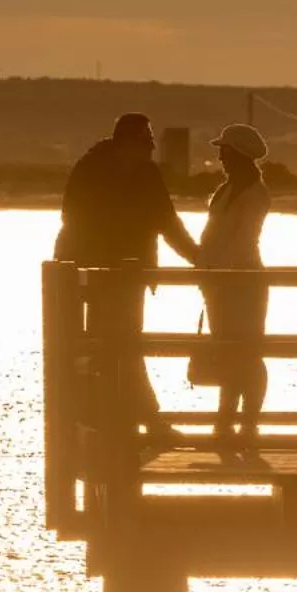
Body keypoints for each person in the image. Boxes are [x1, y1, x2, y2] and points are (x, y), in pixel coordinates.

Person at [55, 113, 200, 443]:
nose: (149, 154)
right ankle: (125, 420)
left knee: (125, 348)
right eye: (144, 146)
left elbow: (168, 222)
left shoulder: (147, 174)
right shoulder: (91, 169)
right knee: (102, 349)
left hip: (129, 278)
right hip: (91, 277)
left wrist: (198, 259)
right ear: (125, 144)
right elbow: (73, 220)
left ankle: (133, 421)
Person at [197, 123, 271, 452]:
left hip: (243, 281)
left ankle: (248, 424)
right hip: (220, 281)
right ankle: (225, 421)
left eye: (225, 151)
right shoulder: (226, 189)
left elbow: (243, 241)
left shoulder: (256, 194)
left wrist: (218, 272)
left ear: (238, 155)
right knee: (227, 351)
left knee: (248, 353)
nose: (220, 157)